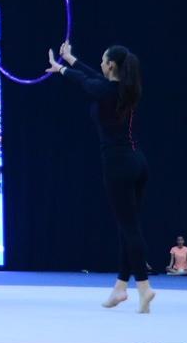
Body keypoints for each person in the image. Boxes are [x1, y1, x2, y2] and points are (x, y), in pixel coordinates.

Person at [49, 42, 156, 312]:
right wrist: (71, 59)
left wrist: (61, 69)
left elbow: (88, 83)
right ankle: (121, 287)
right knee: (127, 227)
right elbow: (92, 77)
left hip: (118, 164)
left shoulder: (106, 91)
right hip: (137, 162)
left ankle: (144, 287)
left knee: (130, 228)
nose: (99, 64)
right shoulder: (123, 88)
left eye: (102, 61)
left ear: (110, 65)